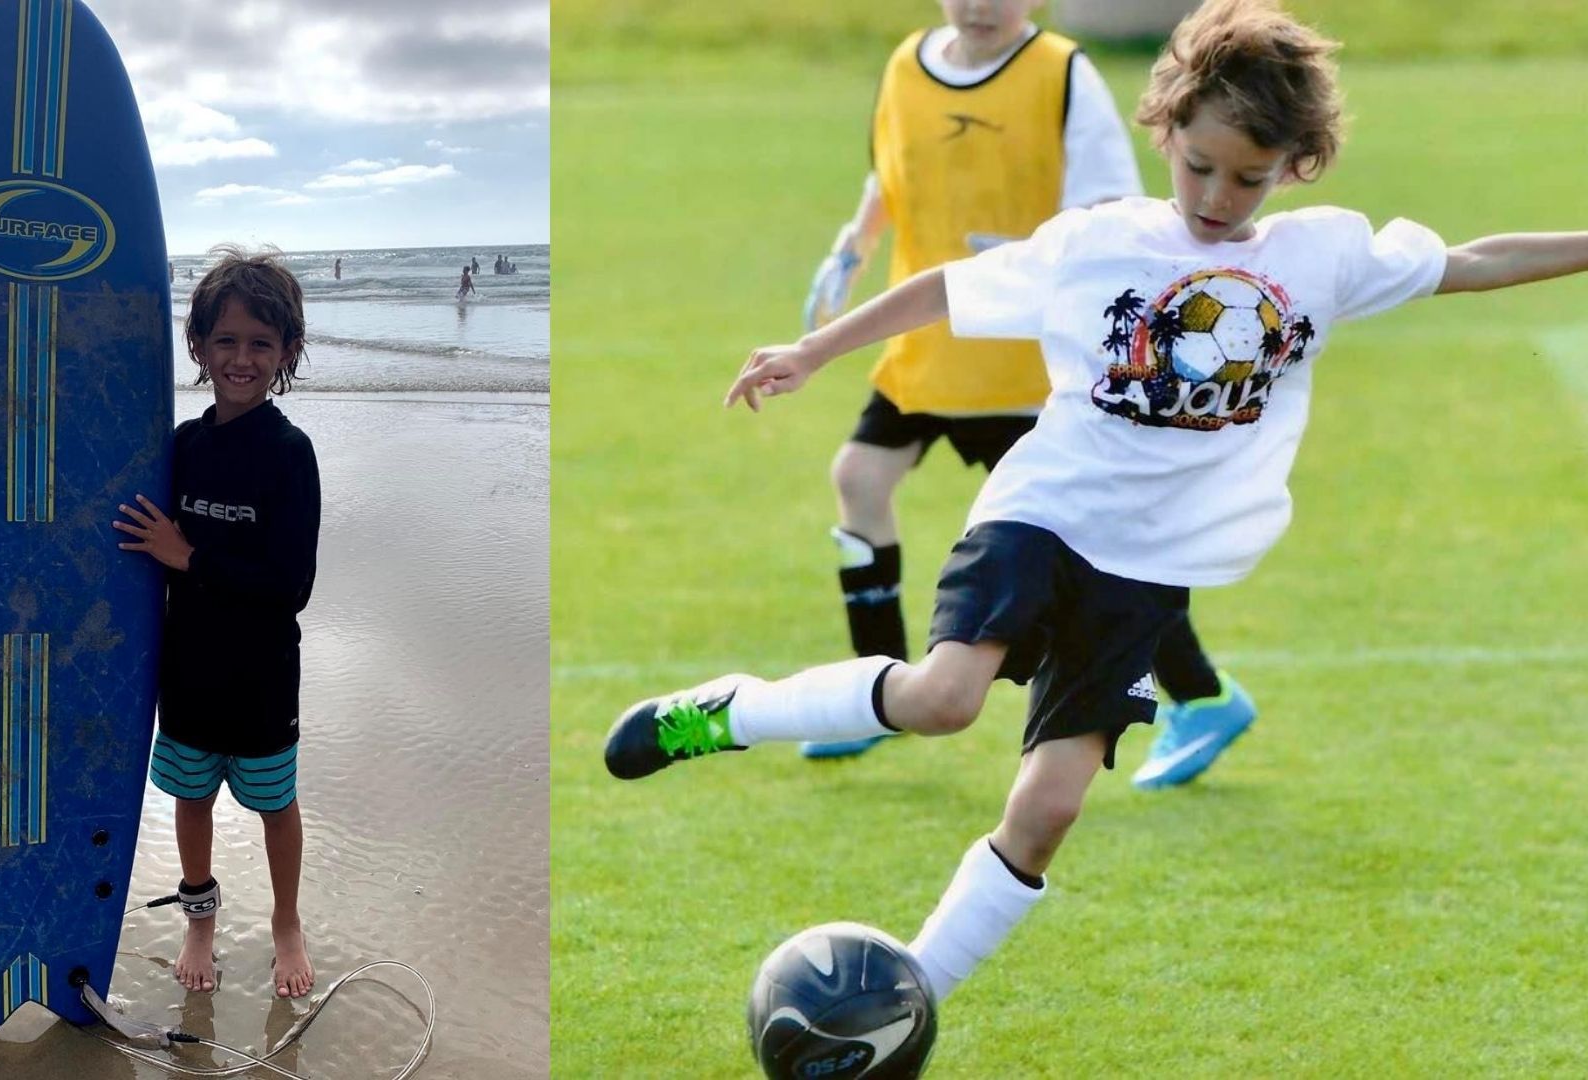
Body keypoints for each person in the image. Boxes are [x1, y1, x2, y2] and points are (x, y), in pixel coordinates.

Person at [604, 0, 1588, 1011]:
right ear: (1165, 131)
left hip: (1152, 567)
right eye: (1199, 164)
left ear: (1299, 164)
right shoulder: (1101, 243)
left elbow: (1476, 260)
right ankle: (731, 711)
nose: (1216, 194)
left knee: (1049, 809)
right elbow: (949, 287)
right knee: (943, 700)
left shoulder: (1318, 257)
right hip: (1046, 512)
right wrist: (813, 350)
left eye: (1248, 177)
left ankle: (914, 997)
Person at [796, 0, 1251, 778]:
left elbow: (1110, 208)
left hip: (1024, 357)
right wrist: (853, 243)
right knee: (859, 478)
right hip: (930, 344)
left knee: (1093, 544)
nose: (980, 5)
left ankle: (1203, 696)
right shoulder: (908, 62)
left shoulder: (1064, 75)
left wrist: (1028, 257)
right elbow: (891, 167)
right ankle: (873, 687)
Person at [112, 244, 323, 999]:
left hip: (263, 676)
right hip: (190, 671)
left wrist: (189, 555)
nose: (242, 358)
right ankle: (200, 916)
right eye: (225, 341)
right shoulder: (182, 448)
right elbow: (135, 546)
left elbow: (290, 585)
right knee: (191, 798)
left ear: (287, 352)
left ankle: (286, 922)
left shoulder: (290, 455)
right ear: (197, 347)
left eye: (260, 344)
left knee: (274, 807)